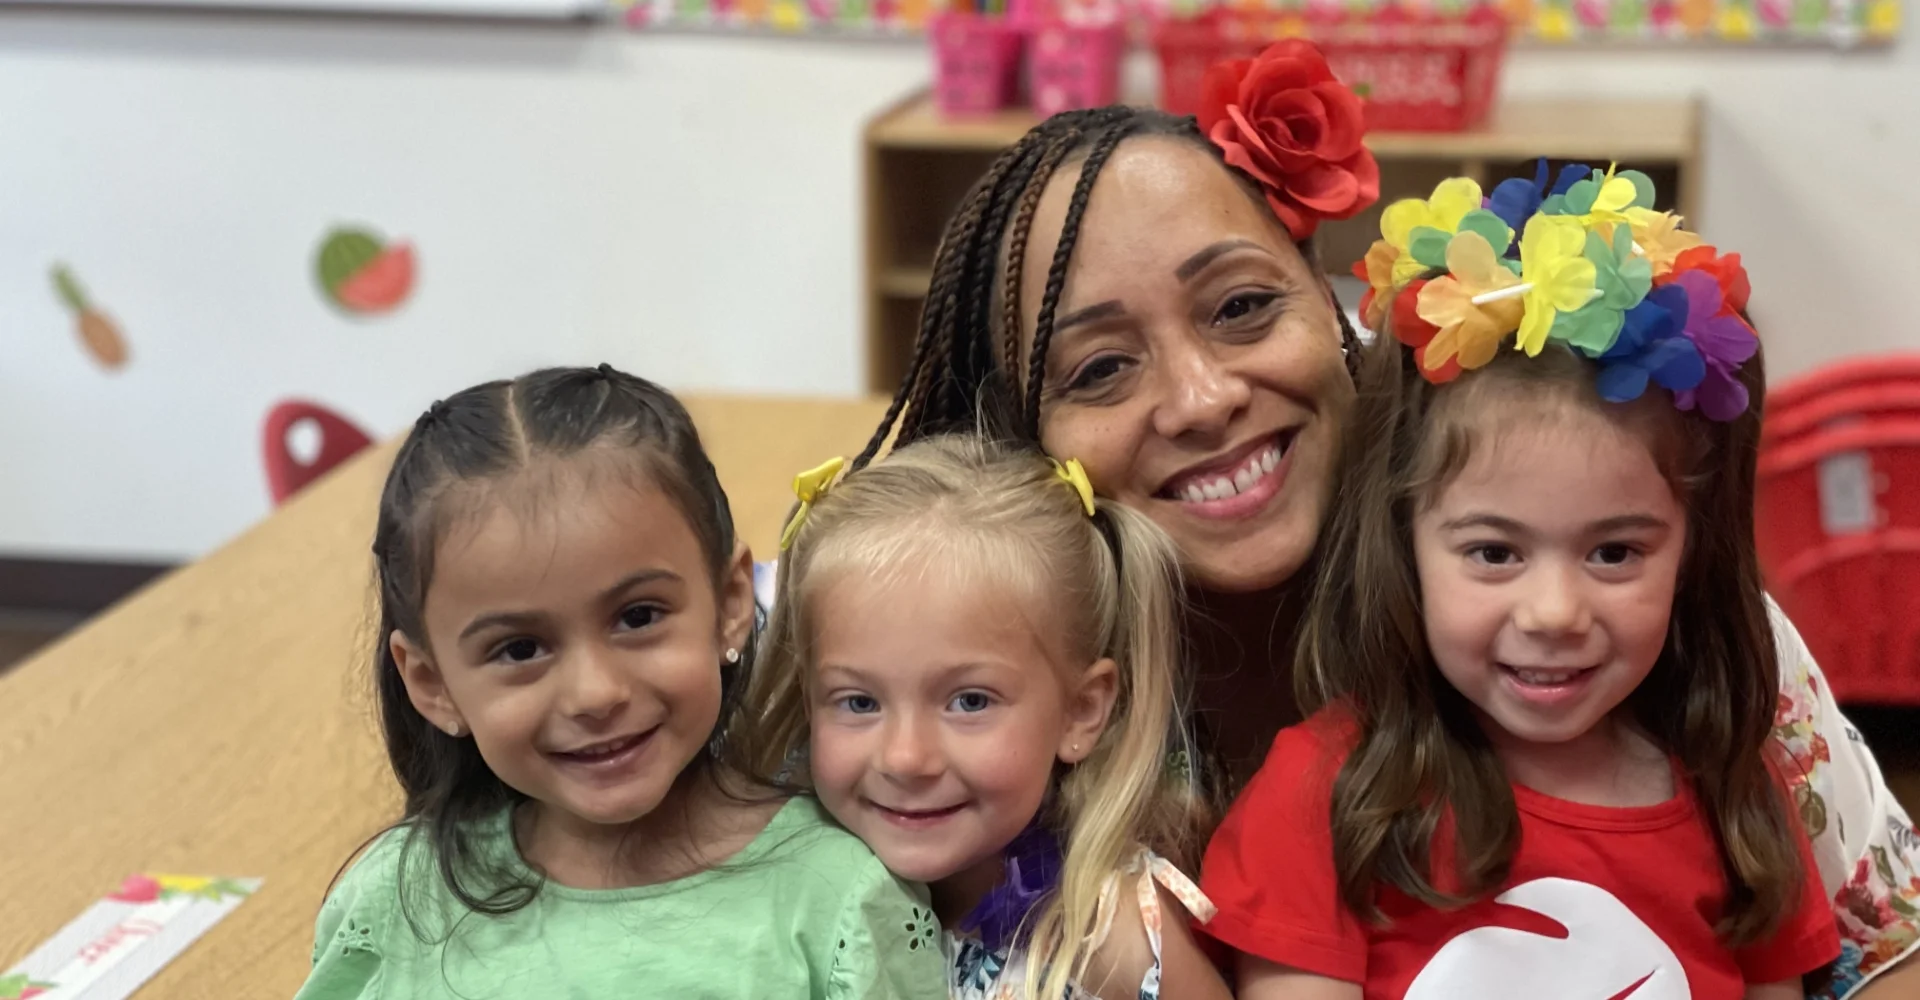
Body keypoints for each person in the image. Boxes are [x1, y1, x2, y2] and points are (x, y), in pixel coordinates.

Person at [860, 38, 1920, 996]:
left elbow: (1883, 955)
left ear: (1332, 306)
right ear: (1019, 437)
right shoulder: (962, 712)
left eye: (1241, 306)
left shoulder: (1657, 639)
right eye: (1099, 367)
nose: (1204, 397)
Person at [1201, 175, 1840, 998]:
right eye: (1495, 553)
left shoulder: (1738, 795)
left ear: (1690, 551)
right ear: (1404, 543)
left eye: (1614, 554)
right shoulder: (1326, 799)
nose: (1554, 614)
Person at [296, 365, 946, 1000]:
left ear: (730, 601)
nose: (595, 693)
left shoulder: (841, 902)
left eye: (638, 617)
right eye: (519, 649)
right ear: (432, 683)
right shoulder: (391, 907)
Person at [742, 436, 1229, 1000]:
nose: (906, 758)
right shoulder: (789, 891)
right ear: (809, 701)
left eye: (969, 701)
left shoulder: (1107, 935)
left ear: (1081, 710)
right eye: (859, 702)